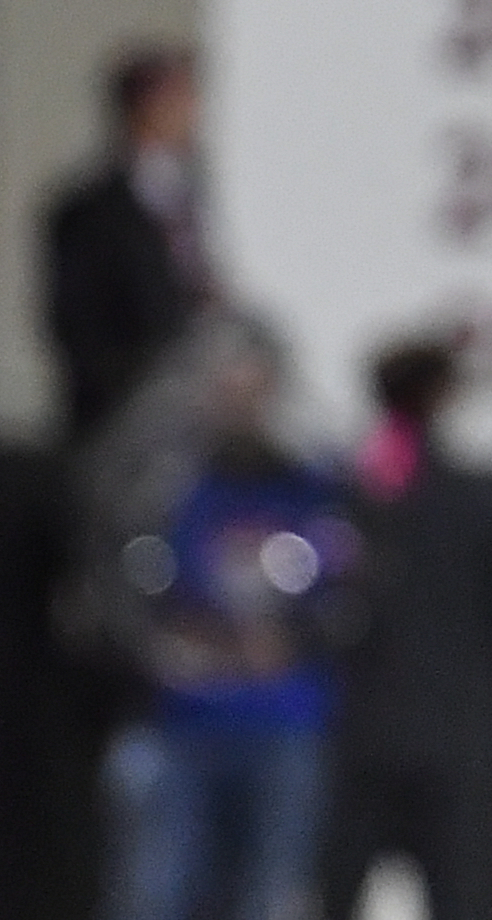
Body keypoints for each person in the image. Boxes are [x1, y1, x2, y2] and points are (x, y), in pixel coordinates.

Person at [319, 336, 492, 920]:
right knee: (453, 896)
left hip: (372, 735)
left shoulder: (347, 497)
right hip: (445, 740)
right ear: (445, 397)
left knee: (348, 892)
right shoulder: (460, 503)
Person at [97, 334, 351, 920]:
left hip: (283, 722)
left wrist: (295, 639)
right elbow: (120, 588)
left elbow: (352, 594)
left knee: (270, 894)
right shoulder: (163, 488)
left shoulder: (315, 487)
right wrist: (165, 644)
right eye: (226, 391)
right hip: (179, 724)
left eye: (254, 391)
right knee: (154, 891)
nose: (240, 406)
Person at [45, 44, 212, 443]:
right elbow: (78, 324)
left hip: (182, 416)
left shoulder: (182, 196)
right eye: (182, 101)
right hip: (118, 420)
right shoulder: (90, 211)